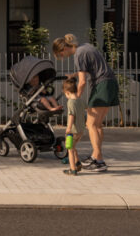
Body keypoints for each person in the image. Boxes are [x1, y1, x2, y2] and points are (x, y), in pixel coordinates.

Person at [52, 33, 119, 172]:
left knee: (91, 124)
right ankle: (96, 156)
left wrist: (75, 98)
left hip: (102, 85)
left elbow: (82, 82)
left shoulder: (78, 54)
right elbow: (89, 68)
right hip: (110, 83)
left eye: (61, 54)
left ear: (64, 48)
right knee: (97, 125)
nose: (63, 57)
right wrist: (73, 75)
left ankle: (99, 161)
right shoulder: (85, 47)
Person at [62, 77, 85, 175]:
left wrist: (68, 128)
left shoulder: (70, 102)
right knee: (73, 146)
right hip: (81, 130)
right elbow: (87, 109)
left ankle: (72, 169)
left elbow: (71, 116)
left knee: (70, 149)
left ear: (67, 92)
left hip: (73, 130)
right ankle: (78, 163)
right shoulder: (80, 100)